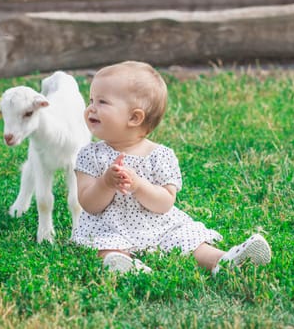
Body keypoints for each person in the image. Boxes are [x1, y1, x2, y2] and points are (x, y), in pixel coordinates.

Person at [73, 61, 271, 274]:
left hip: (159, 224)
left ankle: (222, 261)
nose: (90, 108)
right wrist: (106, 183)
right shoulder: (89, 154)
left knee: (189, 242)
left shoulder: (161, 155)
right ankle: (124, 265)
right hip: (109, 226)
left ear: (134, 117)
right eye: (91, 100)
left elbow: (164, 203)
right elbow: (89, 204)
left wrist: (139, 185)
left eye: (102, 102)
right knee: (104, 246)